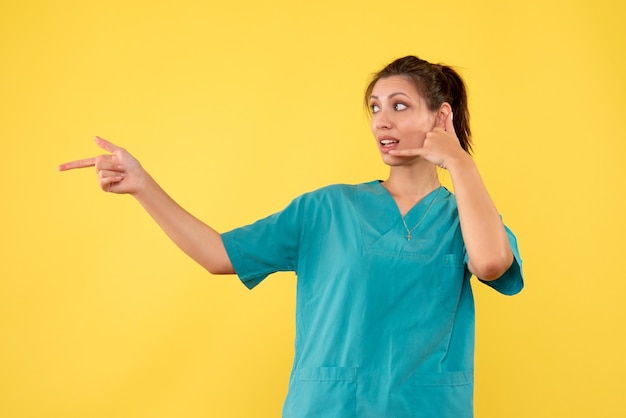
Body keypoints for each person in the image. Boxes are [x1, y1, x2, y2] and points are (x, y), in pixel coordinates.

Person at [59, 55, 523, 418]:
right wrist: (143, 185)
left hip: (426, 410)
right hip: (329, 409)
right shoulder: (325, 209)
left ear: (440, 118)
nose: (381, 121)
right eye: (376, 108)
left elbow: (489, 264)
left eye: (399, 106)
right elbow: (219, 254)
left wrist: (460, 162)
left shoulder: (464, 215)